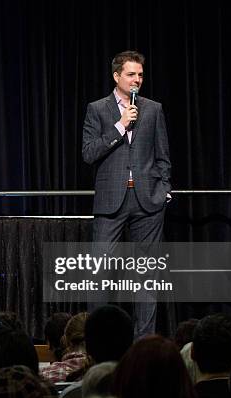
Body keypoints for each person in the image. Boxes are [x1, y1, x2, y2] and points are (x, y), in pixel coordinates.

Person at [82, 50, 171, 337]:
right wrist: (121, 126)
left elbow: (163, 155)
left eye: (141, 75)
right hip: (111, 201)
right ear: (116, 76)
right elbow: (88, 153)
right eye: (131, 74)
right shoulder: (97, 109)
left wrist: (164, 188)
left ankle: (144, 344)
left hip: (148, 202)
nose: (137, 80)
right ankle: (100, 343)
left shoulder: (153, 108)